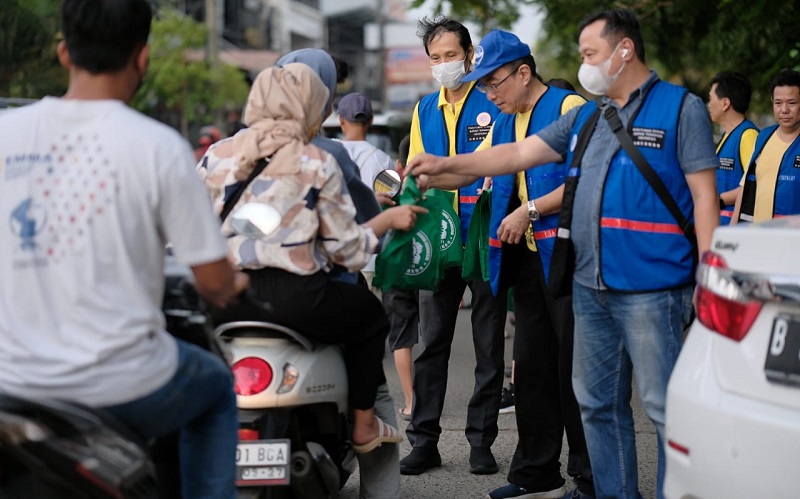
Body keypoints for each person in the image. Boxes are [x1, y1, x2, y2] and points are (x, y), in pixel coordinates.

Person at [408, 9, 719, 499]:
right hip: (582, 276)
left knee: (660, 405)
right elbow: (511, 157)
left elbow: (705, 197)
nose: (584, 64)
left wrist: (709, 274)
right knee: (591, 399)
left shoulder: (680, 109)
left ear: (625, 50)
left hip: (655, 283)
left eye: (590, 54)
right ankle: (590, 486)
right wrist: (444, 165)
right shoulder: (589, 116)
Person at [0, 1, 251, 497]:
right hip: (124, 384)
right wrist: (235, 284)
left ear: (63, 52)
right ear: (142, 57)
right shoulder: (156, 146)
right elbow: (214, 282)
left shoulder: (7, 134)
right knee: (217, 389)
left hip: (14, 385)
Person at [452, 29, 593, 499]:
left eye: (494, 84)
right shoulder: (507, 118)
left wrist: (529, 210)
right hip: (530, 261)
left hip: (569, 261)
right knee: (531, 369)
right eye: (485, 87)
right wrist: (432, 175)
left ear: (524, 72)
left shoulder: (569, 109)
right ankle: (537, 474)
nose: (490, 96)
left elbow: (583, 180)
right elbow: (482, 164)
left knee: (576, 372)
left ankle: (590, 479)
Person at [399, 15, 507, 477]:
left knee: (488, 346)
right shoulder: (423, 109)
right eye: (436, 58)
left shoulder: (493, 101)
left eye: (451, 56)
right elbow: (417, 174)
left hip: (486, 239)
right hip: (439, 241)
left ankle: (481, 442)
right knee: (432, 346)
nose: (444, 64)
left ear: (469, 55)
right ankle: (424, 442)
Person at [336, 92, 394, 291]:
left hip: (336, 254)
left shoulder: (327, 153)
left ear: (341, 120)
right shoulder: (384, 160)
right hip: (370, 256)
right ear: (370, 120)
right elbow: (390, 203)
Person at [381, 134, 420, 421]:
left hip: (396, 267)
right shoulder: (433, 186)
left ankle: (410, 401)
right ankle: (430, 398)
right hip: (428, 266)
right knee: (432, 334)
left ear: (398, 163)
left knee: (402, 336)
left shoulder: (388, 184)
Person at [733, 68, 800, 223]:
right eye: (778, 103)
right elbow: (744, 189)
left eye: (792, 103)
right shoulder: (763, 138)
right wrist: (733, 230)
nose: (784, 110)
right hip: (760, 239)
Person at [706, 71, 758, 225]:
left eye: (710, 99)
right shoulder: (728, 135)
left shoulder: (748, 136)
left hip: (736, 231)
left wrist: (719, 200)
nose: (708, 105)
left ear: (725, 103)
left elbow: (754, 185)